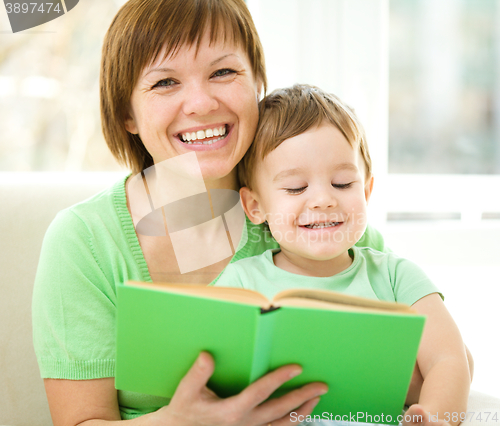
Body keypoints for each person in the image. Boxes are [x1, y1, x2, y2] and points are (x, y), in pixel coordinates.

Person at [30, 0, 450, 425]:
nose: (200, 103)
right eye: (165, 82)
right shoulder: (84, 241)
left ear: (257, 83)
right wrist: (180, 422)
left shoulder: (321, 225)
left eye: (223, 72)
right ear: (126, 114)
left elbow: (433, 370)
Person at [214, 84, 472, 426]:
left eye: (342, 183)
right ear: (255, 206)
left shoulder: (396, 277)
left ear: (366, 190)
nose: (323, 199)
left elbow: (449, 359)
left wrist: (434, 417)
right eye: (296, 188)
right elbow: (217, 384)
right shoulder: (242, 282)